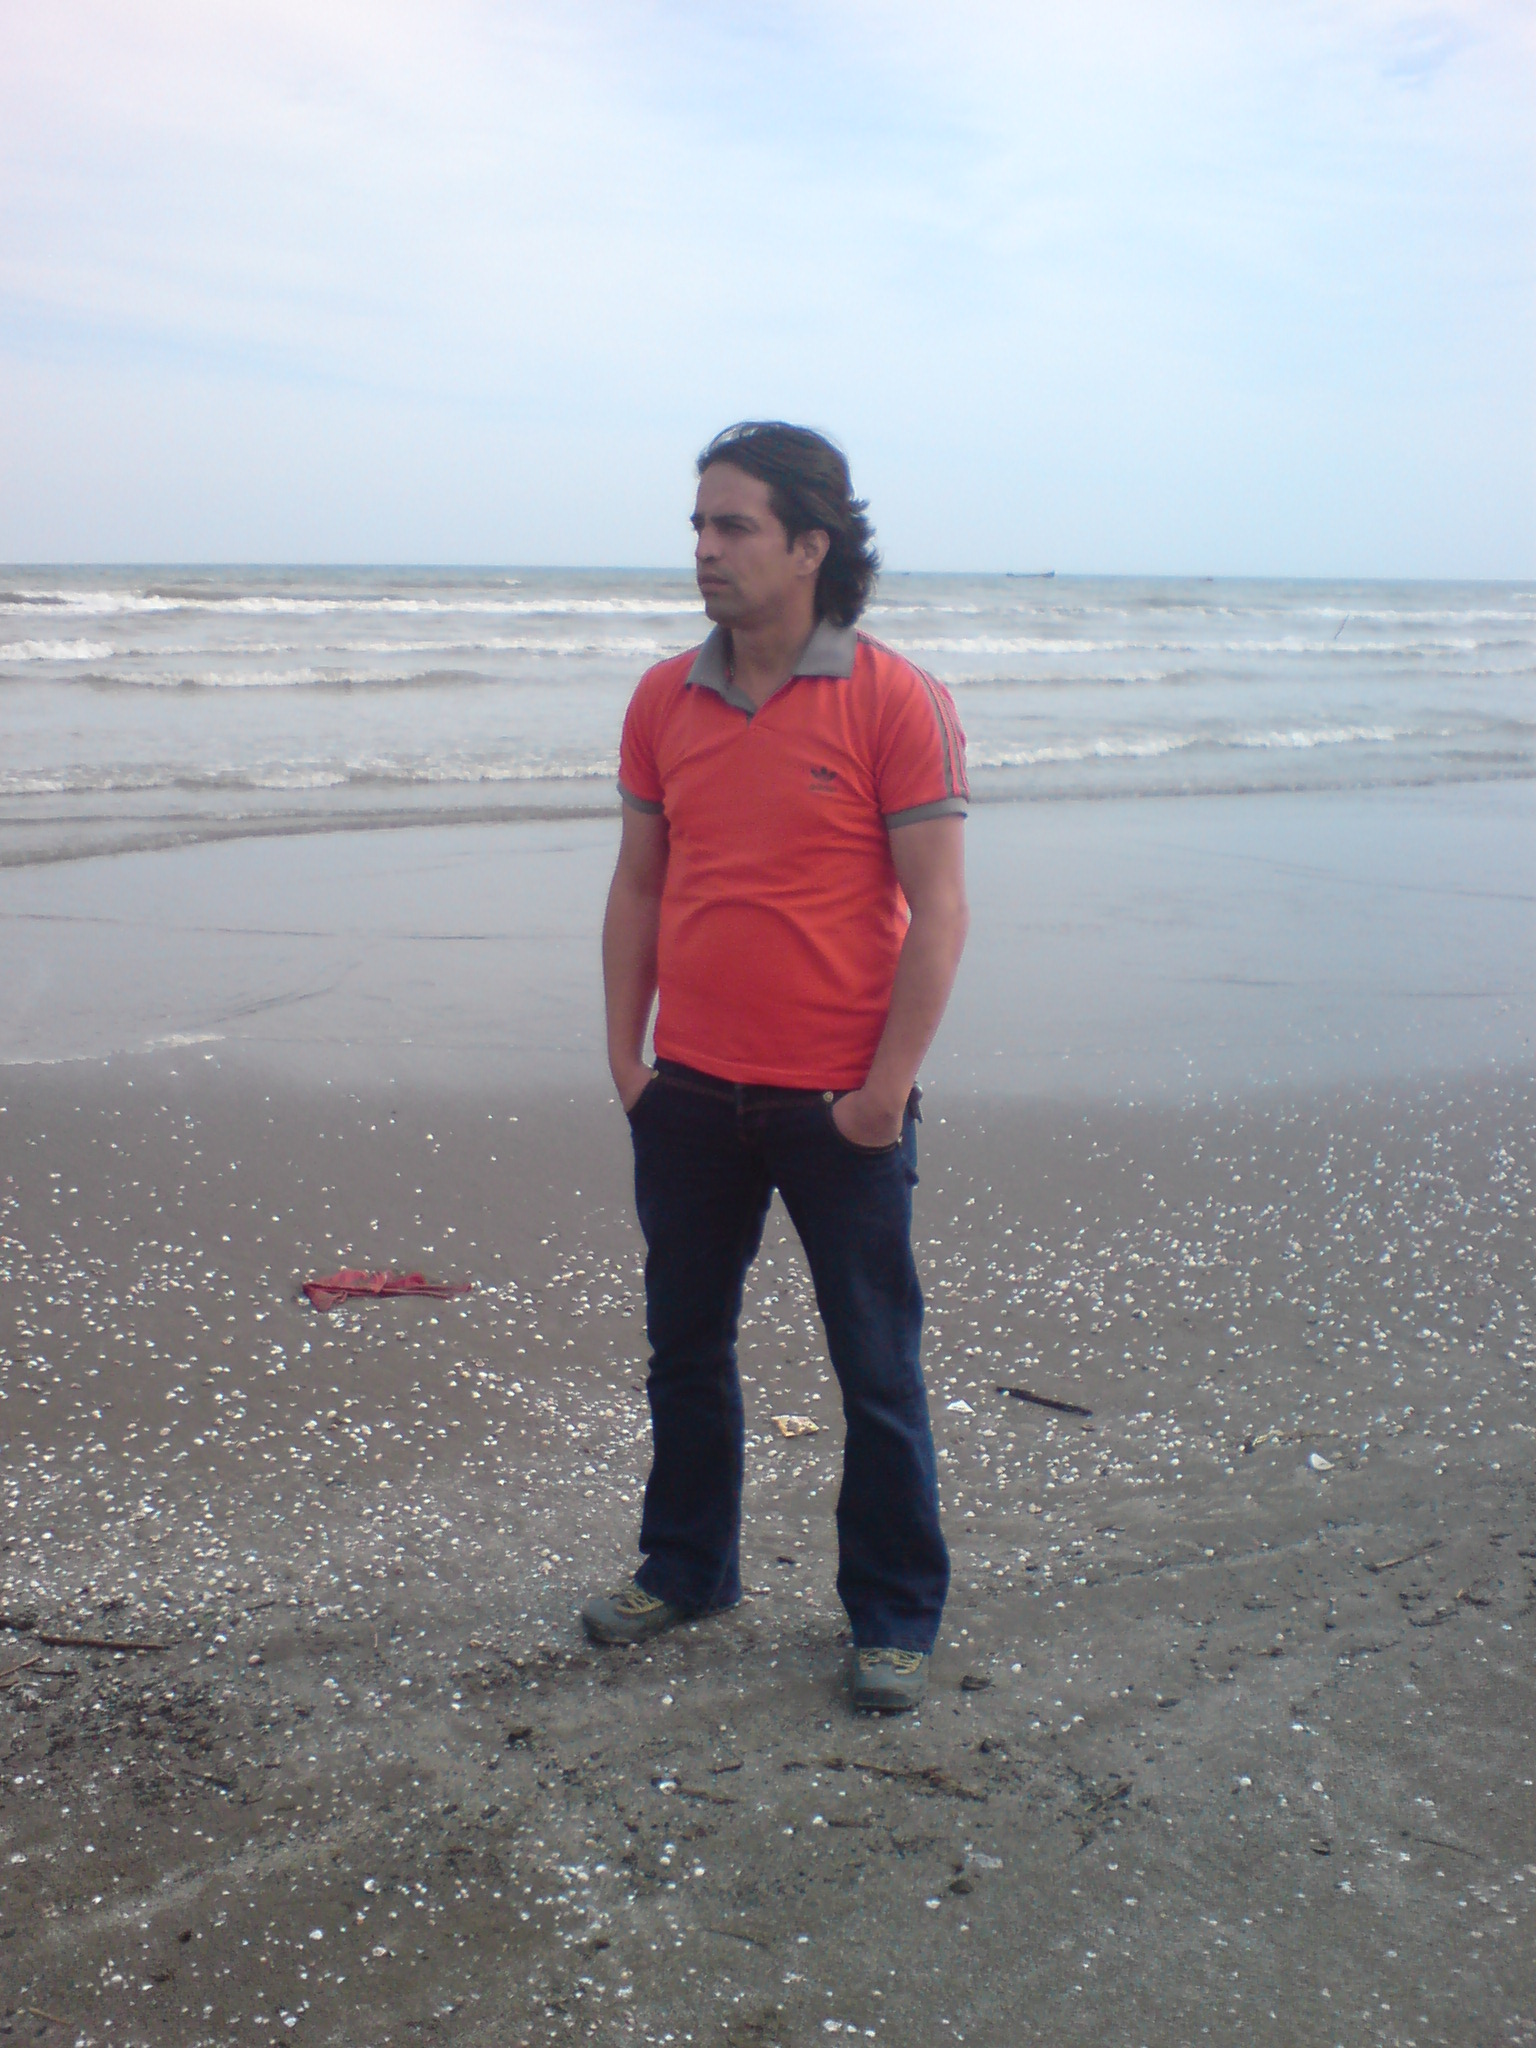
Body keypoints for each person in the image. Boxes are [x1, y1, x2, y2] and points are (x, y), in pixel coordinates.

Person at [583, 421, 970, 1712]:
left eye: (733, 525)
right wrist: (628, 1060)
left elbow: (940, 910)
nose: (705, 548)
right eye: (698, 524)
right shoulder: (663, 697)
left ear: (811, 544)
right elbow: (640, 884)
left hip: (837, 1102)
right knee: (684, 1350)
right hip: (690, 1091)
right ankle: (688, 1568)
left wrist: (881, 1094)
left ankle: (895, 1616)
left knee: (876, 1366)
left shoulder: (895, 699)